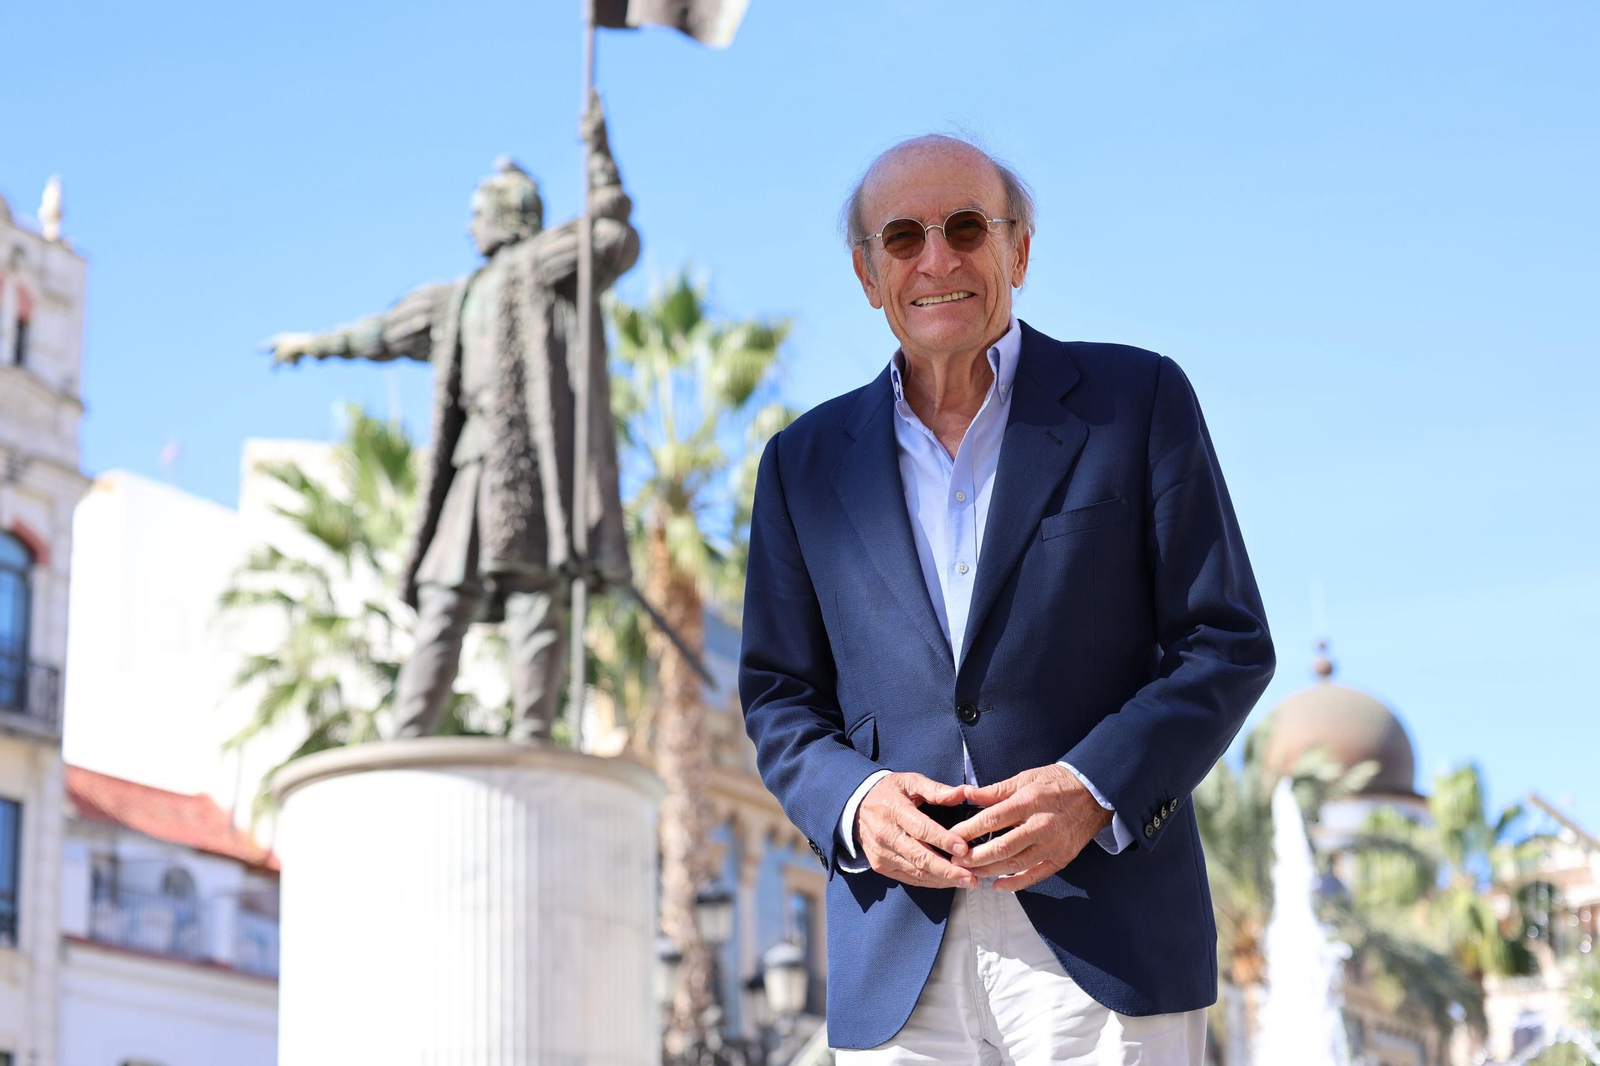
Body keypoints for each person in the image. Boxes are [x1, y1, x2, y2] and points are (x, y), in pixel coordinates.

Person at [737, 134, 1275, 1064]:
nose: (936, 259)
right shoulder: (803, 464)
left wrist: (1090, 788)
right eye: (901, 238)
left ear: (1018, 251)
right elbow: (779, 696)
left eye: (965, 228)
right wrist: (857, 804)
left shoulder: (1136, 399)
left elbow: (1224, 641)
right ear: (869, 275)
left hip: (1106, 936)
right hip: (894, 953)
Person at [265, 95, 636, 742]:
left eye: (477, 215)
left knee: (534, 600)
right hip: (469, 466)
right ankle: (407, 736)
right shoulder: (456, 297)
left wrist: (598, 153)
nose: (469, 228)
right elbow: (381, 333)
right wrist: (312, 343)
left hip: (532, 466)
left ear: (506, 217)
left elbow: (611, 236)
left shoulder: (545, 266)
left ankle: (532, 733)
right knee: (442, 600)